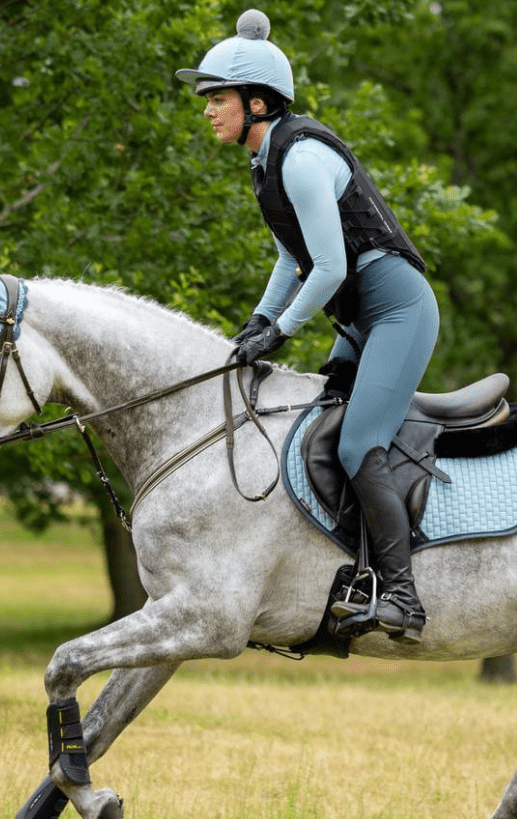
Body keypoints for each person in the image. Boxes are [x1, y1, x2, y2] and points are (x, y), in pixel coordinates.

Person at [176, 9, 439, 644]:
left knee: (355, 444)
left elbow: (330, 266)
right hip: (360, 316)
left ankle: (405, 599)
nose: (208, 110)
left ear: (257, 101)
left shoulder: (298, 159)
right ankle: (352, 572)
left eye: (217, 98)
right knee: (314, 420)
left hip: (397, 309)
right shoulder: (265, 163)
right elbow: (289, 259)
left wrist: (283, 329)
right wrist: (260, 320)